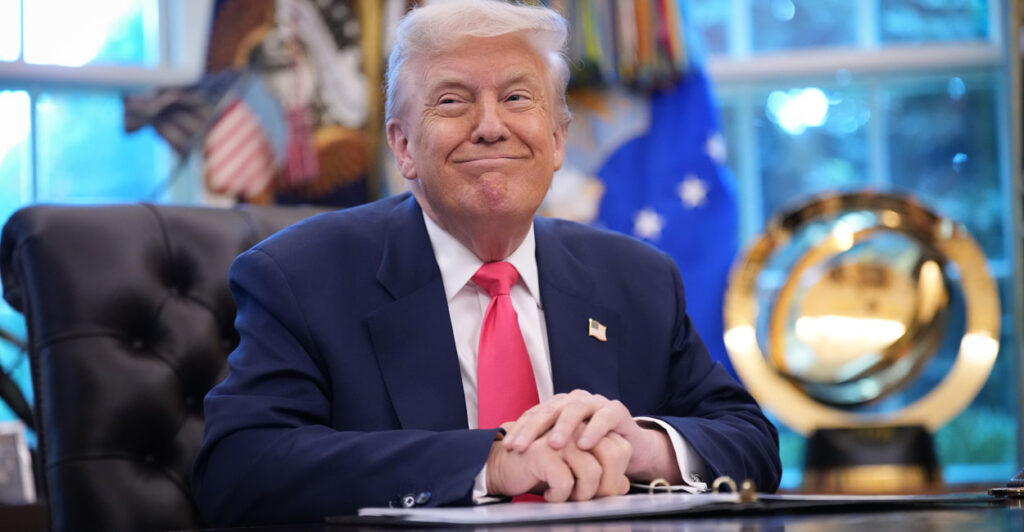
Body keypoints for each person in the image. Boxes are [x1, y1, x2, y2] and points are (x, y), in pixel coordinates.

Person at [192, 0, 781, 525]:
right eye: (453, 101)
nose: (491, 126)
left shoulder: (638, 278)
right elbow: (239, 469)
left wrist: (643, 445)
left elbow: (750, 441)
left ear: (556, 141)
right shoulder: (299, 276)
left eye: (517, 98)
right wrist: (490, 462)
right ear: (403, 146)